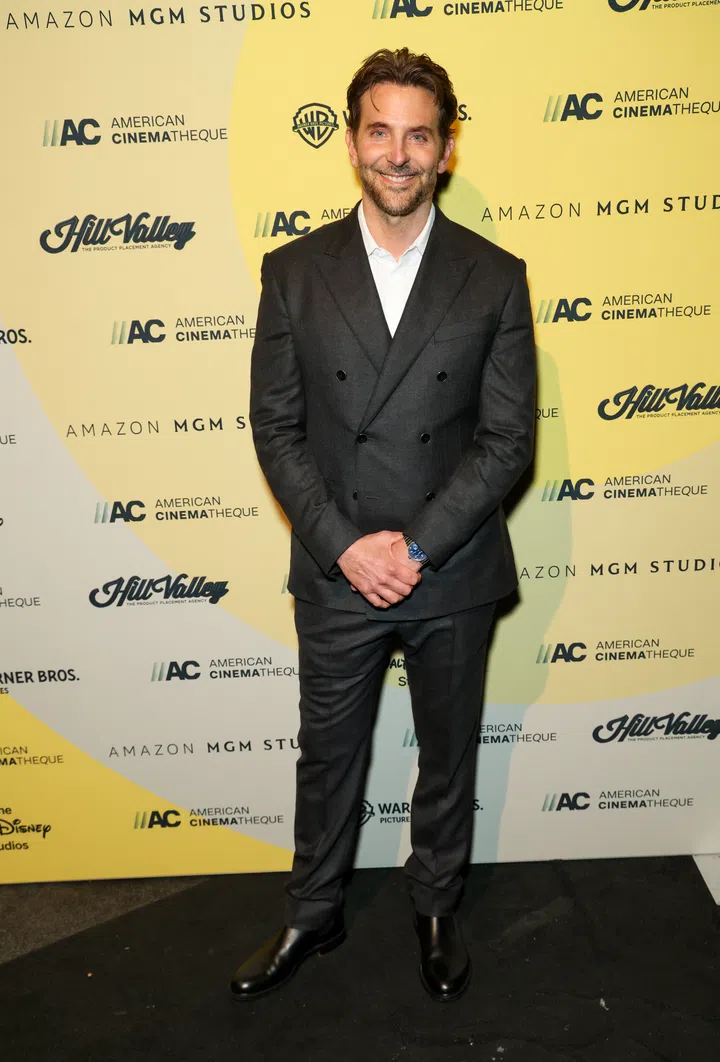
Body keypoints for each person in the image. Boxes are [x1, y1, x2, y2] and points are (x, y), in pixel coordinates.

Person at [231, 46, 535, 1003]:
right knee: (327, 756)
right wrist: (344, 545)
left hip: (451, 563)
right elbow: (276, 426)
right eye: (380, 132)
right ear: (352, 140)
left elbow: (507, 438)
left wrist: (416, 546)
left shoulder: (495, 275)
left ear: (445, 148)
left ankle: (437, 904)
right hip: (338, 563)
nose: (398, 154)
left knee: (448, 751)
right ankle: (311, 911)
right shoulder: (294, 272)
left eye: (418, 135)